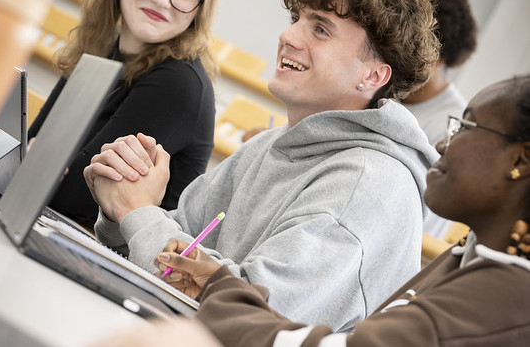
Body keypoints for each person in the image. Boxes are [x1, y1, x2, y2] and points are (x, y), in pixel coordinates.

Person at [84, 0, 440, 332]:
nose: (288, 36)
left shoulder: (368, 186)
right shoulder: (273, 143)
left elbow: (251, 320)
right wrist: (121, 209)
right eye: (296, 19)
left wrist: (138, 213)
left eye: (320, 29)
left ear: (372, 77)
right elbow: (162, 243)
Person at [90, 74, 530, 347]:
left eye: (466, 126)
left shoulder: (509, 297)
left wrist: (211, 283)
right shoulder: (464, 263)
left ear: (520, 161)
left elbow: (306, 342)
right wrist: (125, 218)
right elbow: (168, 248)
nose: (442, 142)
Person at [29, 0, 221, 229]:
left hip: (100, 257)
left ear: (199, 8)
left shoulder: (178, 84)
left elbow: (74, 196)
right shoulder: (101, 46)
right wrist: (38, 161)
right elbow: (30, 146)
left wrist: (41, 162)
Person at [402, 0, 478, 239]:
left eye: (411, 44)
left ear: (437, 56)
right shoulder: (388, 90)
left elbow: (414, 208)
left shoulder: (455, 124)